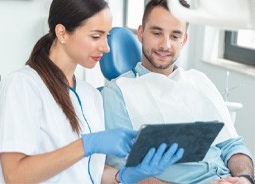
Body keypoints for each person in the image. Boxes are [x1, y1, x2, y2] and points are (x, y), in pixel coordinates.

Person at [0, 0, 185, 183]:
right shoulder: (23, 86)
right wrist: (88, 145)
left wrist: (126, 176)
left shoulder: (91, 96)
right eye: (96, 36)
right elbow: (15, 176)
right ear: (62, 33)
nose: (106, 47)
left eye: (106, 36)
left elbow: (91, 172)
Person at [101, 0, 254, 184]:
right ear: (141, 33)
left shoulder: (199, 80)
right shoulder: (118, 92)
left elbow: (232, 144)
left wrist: (244, 178)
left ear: (184, 40)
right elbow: (124, 172)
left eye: (175, 36)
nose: (165, 45)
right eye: (157, 33)